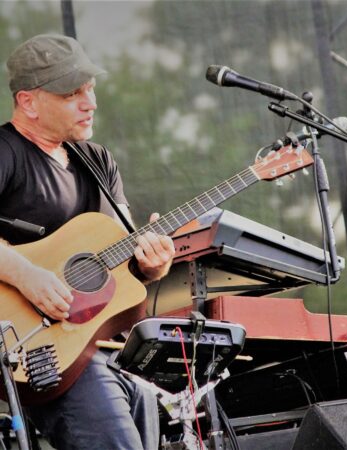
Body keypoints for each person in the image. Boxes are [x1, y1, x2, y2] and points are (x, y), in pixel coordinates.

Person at [0, 34, 175, 449]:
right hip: (36, 349)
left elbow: (125, 257)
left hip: (102, 343)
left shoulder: (97, 161)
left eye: (90, 89)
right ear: (29, 102)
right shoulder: (5, 152)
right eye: (72, 94)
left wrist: (153, 265)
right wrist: (25, 274)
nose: (90, 103)